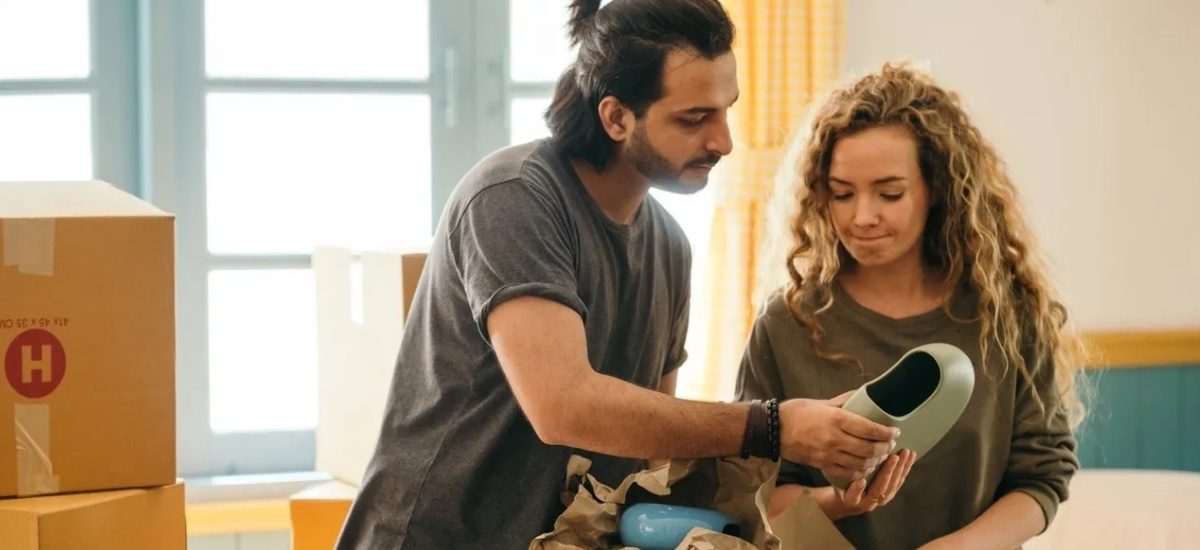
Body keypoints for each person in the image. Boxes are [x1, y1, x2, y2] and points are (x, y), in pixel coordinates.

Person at [335, 2, 898, 548]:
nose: (723, 141)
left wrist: (821, 476)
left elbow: (649, 450)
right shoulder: (514, 199)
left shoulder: (670, 248)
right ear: (615, 117)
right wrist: (773, 427)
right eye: (694, 119)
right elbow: (564, 407)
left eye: (726, 110)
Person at [737, 63, 1085, 550]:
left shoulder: (1006, 315)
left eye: (890, 193)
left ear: (936, 190)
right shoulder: (786, 324)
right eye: (842, 194)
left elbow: (1043, 475)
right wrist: (844, 500)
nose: (862, 217)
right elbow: (750, 494)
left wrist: (958, 548)